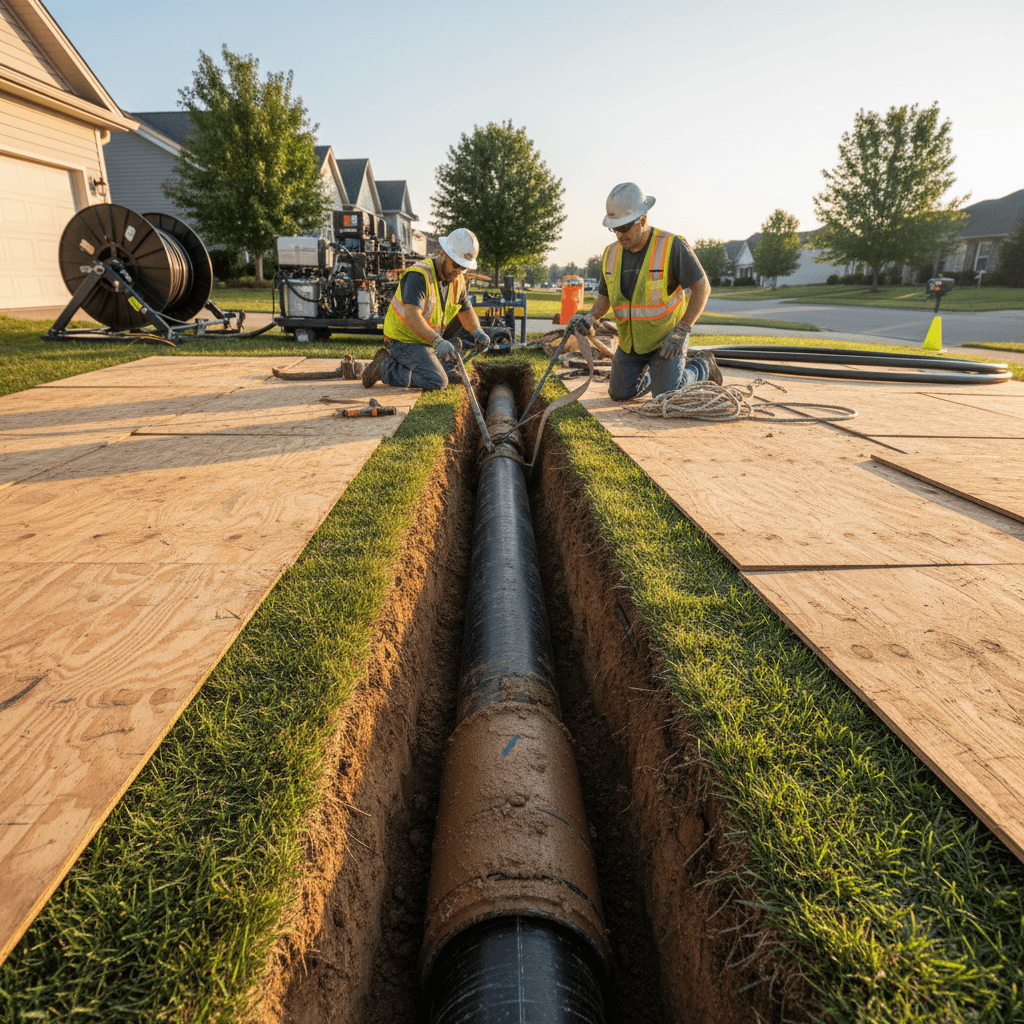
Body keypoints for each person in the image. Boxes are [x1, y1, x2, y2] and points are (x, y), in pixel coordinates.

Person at [568, 183, 720, 401]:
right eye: (614, 228)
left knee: (666, 397)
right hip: (630, 345)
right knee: (619, 394)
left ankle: (702, 366)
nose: (619, 235)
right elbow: (604, 299)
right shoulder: (610, 254)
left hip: (666, 341)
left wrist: (681, 331)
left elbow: (703, 288)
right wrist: (590, 318)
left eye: (624, 227)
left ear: (642, 219)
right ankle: (657, 377)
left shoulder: (672, 246)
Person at [362, 228, 491, 390]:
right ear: (443, 253)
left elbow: (466, 311)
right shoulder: (419, 276)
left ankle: (439, 366)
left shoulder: (458, 281)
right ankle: (384, 367)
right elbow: (412, 317)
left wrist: (478, 332)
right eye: (456, 264)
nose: (459, 271)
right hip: (403, 340)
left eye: (464, 268)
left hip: (425, 340)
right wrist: (438, 342)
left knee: (460, 341)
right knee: (437, 381)